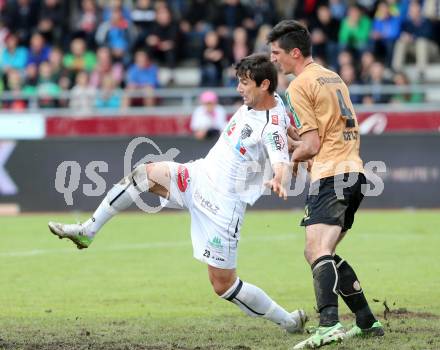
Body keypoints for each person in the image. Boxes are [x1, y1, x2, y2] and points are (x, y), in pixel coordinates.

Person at [48, 54, 307, 334]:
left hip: (222, 207)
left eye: (244, 83)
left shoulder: (270, 126)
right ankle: (88, 230)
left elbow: (280, 157)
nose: (238, 89)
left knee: (223, 285)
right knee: (143, 174)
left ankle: (288, 321)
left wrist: (279, 177)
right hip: (197, 177)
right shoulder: (268, 103)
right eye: (239, 82)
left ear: (264, 84)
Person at [268, 20, 384, 349]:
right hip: (354, 171)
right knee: (326, 252)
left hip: (331, 174)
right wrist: (296, 143)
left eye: (276, 53)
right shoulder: (332, 76)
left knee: (315, 250)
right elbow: (322, 133)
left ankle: (329, 325)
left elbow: (313, 144)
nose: (273, 60)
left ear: (294, 52)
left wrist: (285, 158)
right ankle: (366, 322)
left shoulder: (298, 86)